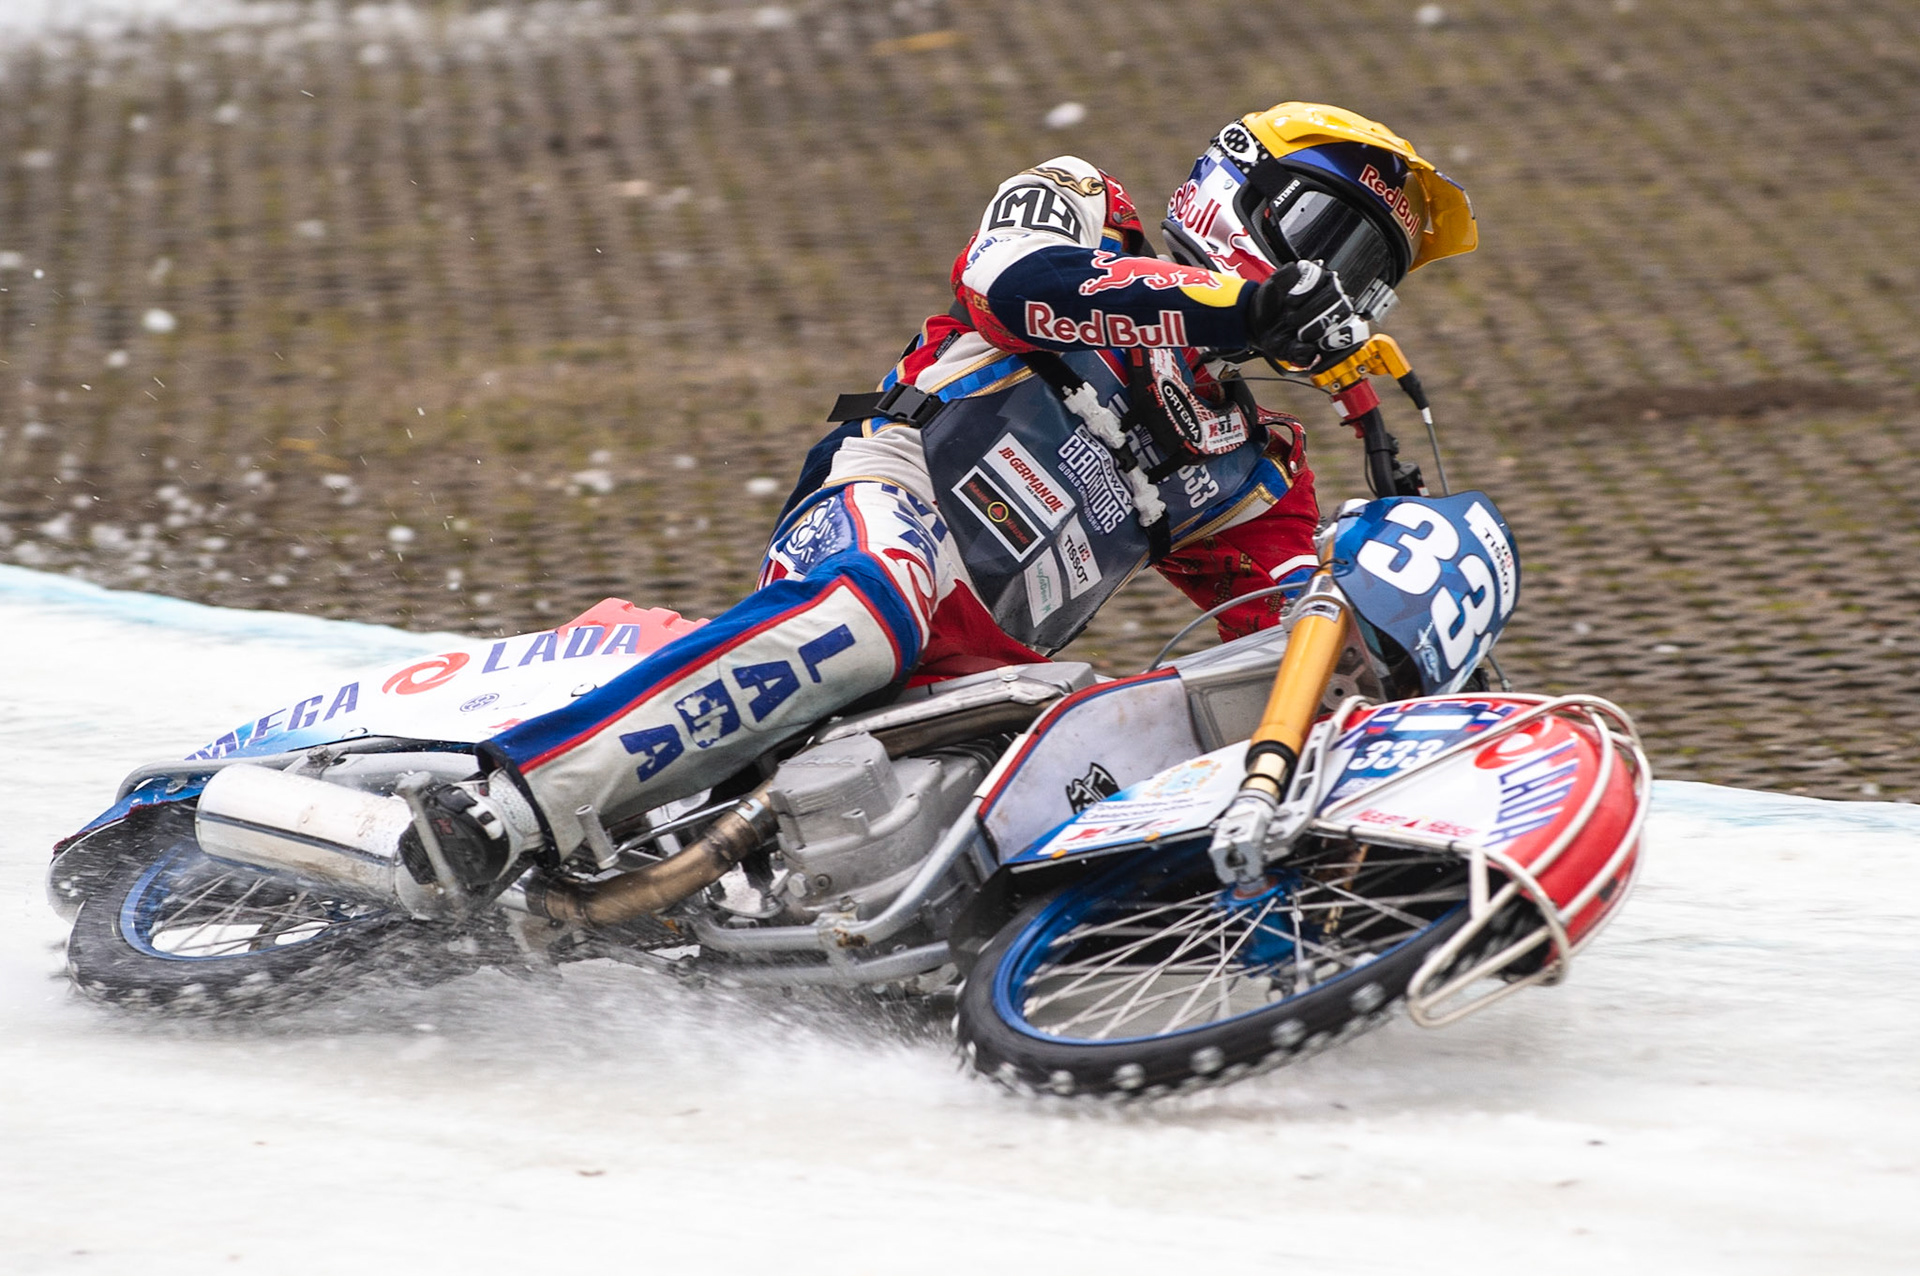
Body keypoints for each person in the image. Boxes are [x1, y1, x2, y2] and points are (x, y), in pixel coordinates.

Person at [411, 102, 1478, 888]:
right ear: (1230, 189)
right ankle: (507, 804)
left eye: (1368, 275)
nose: (1338, 283)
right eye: (1325, 236)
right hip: (887, 504)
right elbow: (1011, 283)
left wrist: (1406, 650)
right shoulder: (1084, 207)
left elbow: (1288, 638)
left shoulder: (1251, 464)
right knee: (869, 611)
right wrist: (1240, 304)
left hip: (990, 674)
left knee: (1107, 752)